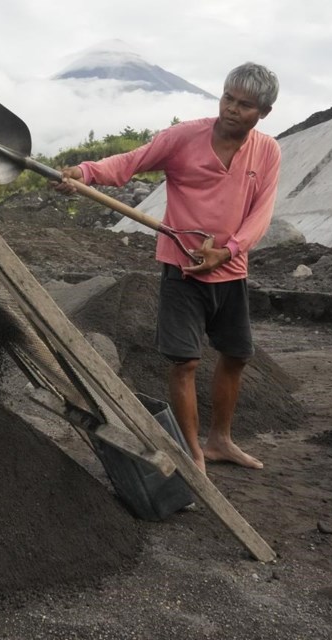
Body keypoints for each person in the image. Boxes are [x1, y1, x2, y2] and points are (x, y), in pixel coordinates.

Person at [55, 62, 280, 473]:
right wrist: (82, 173)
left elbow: (261, 214)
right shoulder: (184, 137)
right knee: (184, 362)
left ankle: (221, 441)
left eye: (244, 104)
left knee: (235, 355)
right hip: (182, 269)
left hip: (231, 271)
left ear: (262, 113)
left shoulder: (267, 150)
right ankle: (192, 451)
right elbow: (131, 162)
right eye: (227, 97)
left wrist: (227, 252)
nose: (231, 108)